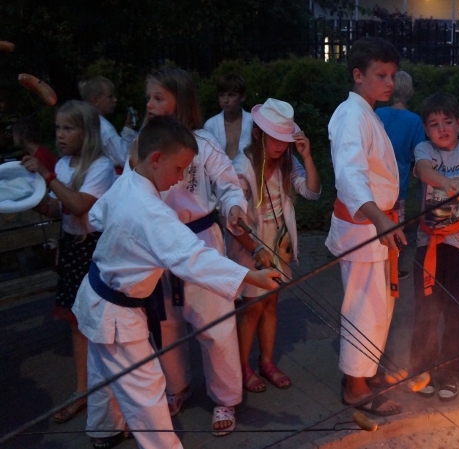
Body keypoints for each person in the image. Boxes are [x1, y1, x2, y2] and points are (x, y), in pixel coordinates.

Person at [73, 115, 281, 449]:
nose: (182, 178)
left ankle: (104, 430)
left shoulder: (128, 182)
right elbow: (190, 256)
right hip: (116, 314)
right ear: (156, 158)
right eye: (179, 169)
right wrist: (247, 275)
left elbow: (98, 217)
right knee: (146, 391)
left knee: (103, 370)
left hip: (97, 297)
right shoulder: (150, 210)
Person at [129, 68, 249, 434]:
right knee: (166, 325)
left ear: (180, 101)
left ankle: (225, 397)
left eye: (158, 98)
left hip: (199, 242)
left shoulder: (203, 143)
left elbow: (228, 183)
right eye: (148, 98)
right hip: (158, 248)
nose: (150, 105)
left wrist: (234, 207)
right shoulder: (141, 146)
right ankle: (177, 387)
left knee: (215, 325)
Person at [325, 36, 406, 416]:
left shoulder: (367, 113)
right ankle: (355, 387)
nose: (389, 82)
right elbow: (350, 174)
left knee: (378, 307)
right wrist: (380, 220)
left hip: (377, 222)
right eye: (380, 75)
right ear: (358, 75)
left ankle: (366, 373)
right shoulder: (350, 115)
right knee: (363, 308)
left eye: (392, 75)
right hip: (364, 225)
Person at [21, 101, 116, 424]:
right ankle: (83, 390)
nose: (60, 135)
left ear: (86, 132)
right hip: (73, 250)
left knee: (103, 323)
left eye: (68, 128)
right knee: (78, 323)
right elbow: (56, 209)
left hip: (96, 250)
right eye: (58, 128)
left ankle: (113, 390)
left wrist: (46, 175)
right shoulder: (63, 165)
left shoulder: (100, 167)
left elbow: (77, 205)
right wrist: (27, 196)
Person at [226, 98, 320, 393]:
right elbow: (233, 221)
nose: (281, 146)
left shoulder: (286, 161)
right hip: (251, 245)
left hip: (279, 243)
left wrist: (306, 157)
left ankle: (266, 361)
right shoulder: (242, 167)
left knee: (271, 304)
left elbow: (313, 192)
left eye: (285, 140)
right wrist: (256, 249)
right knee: (253, 307)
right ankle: (242, 367)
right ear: (258, 134)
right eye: (276, 139)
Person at [410, 92, 459, 401]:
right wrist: (448, 183)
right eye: (434, 124)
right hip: (429, 244)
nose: (442, 129)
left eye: (447, 122)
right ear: (426, 129)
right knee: (426, 312)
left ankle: (451, 373)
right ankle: (422, 369)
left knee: (456, 314)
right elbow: (424, 170)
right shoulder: (424, 149)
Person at [374, 71, 427, 225]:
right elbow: (422, 152)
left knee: (375, 226)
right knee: (396, 226)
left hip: (376, 181)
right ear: (411, 93)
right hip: (398, 184)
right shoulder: (415, 120)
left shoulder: (378, 113)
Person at [78, 76, 137, 171]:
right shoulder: (105, 128)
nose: (115, 99)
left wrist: (127, 129)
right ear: (95, 101)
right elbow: (124, 158)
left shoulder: (82, 122)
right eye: (110, 96)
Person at [203, 73, 253, 160]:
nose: (225, 100)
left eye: (231, 95)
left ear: (242, 97)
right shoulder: (211, 125)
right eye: (222, 95)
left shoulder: (253, 122)